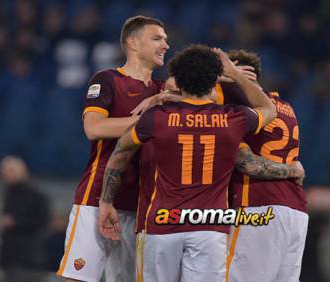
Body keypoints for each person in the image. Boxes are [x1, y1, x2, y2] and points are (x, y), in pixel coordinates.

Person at [98, 45, 279, 281]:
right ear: (215, 80)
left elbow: (120, 155)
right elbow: (268, 108)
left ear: (178, 80)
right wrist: (234, 74)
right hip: (209, 227)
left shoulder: (156, 118)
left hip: (163, 223)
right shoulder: (234, 117)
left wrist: (106, 201)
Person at [56, 15, 172, 282]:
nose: (165, 45)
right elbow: (94, 128)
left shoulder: (163, 90)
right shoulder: (108, 79)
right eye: (157, 38)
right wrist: (148, 119)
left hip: (142, 205)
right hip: (97, 198)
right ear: (132, 43)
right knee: (78, 277)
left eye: (166, 39)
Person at [220, 49, 309, 282]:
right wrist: (292, 170)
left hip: (258, 207)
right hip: (296, 211)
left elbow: (248, 164)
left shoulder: (241, 109)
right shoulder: (285, 106)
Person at [0, 155, 50, 282]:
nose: (6, 175)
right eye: (4, 171)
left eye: (10, 171)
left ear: (22, 171)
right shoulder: (8, 193)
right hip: (9, 257)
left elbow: (43, 222)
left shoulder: (36, 195)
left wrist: (14, 223)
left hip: (28, 258)